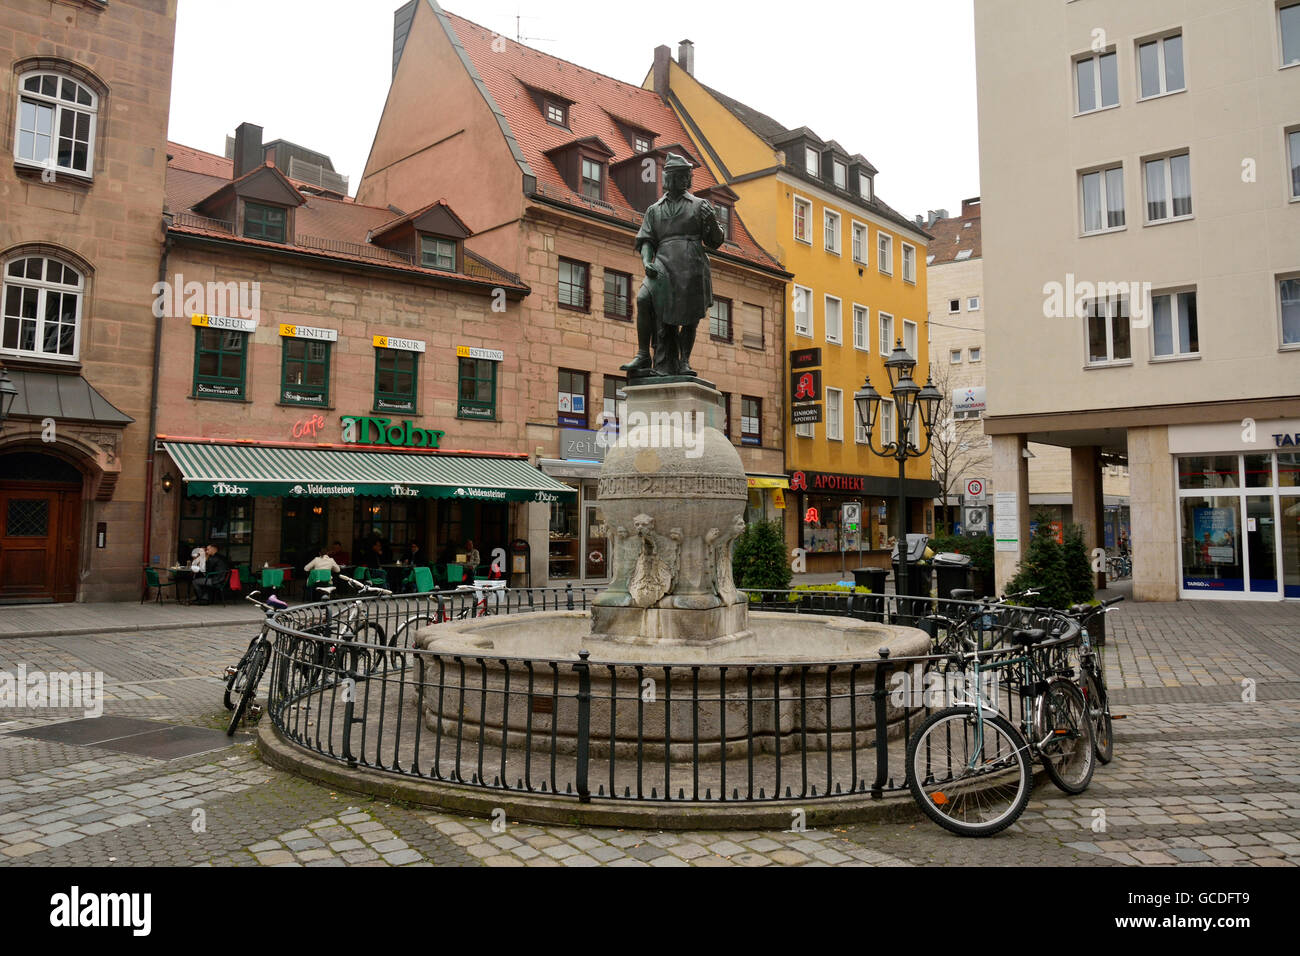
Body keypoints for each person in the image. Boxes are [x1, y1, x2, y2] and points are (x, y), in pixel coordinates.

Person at [620, 152, 724, 377]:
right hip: (663, 265)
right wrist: (647, 261)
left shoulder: (699, 205)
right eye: (671, 176)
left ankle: (684, 360)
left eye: (680, 176)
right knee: (643, 299)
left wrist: (712, 221)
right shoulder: (654, 209)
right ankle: (643, 354)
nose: (674, 180)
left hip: (692, 265)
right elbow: (646, 240)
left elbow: (715, 242)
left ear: (685, 179)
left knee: (689, 316)